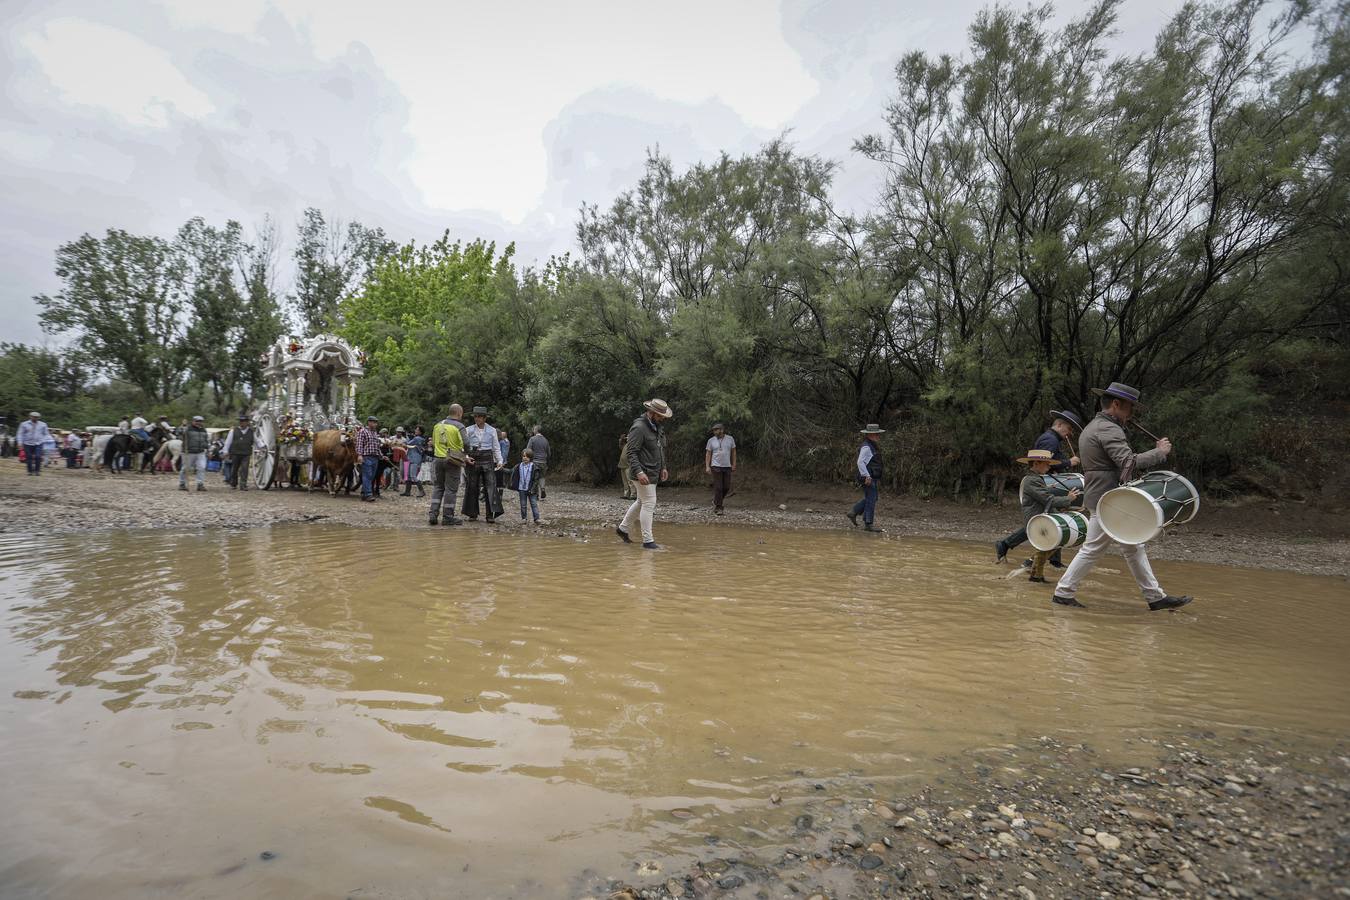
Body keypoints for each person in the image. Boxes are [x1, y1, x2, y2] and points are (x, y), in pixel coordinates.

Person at [1051, 382, 1192, 611]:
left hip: (1103, 495)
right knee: (1098, 548)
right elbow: (1128, 461)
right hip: (1108, 497)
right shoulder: (1108, 429)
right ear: (1116, 404)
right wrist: (1160, 452)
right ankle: (1063, 593)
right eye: (1130, 408)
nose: (1132, 414)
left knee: (1132, 546)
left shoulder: (1094, 426)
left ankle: (1154, 597)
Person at [996, 409, 1083, 563]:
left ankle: (1049, 561)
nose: (1070, 433)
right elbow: (1046, 462)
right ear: (1059, 424)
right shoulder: (1050, 440)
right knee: (1047, 523)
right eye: (1069, 429)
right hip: (1043, 485)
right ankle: (1028, 558)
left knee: (1050, 521)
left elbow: (1046, 463)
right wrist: (1069, 462)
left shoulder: (1051, 439)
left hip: (1046, 484)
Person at [1016, 448, 1082, 583]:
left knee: (1052, 543)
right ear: (1036, 464)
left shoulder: (1036, 478)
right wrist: (1068, 499)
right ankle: (1034, 573)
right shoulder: (1031, 480)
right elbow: (1047, 499)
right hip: (1037, 518)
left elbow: (1048, 500)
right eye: (1046, 464)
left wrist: (1067, 503)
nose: (1048, 467)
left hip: (1043, 516)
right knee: (1051, 543)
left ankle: (1035, 573)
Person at [617, 399, 671, 550]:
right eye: (660, 416)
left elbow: (659, 449)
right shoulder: (639, 427)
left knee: (641, 502)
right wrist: (639, 471)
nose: (663, 418)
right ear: (652, 413)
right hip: (642, 472)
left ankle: (622, 529)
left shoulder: (657, 427)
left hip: (653, 471)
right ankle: (648, 541)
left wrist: (664, 467)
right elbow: (631, 452)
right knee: (649, 503)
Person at [462, 407, 504, 522]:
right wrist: (466, 457)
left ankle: (490, 515)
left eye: (479, 416)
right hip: (473, 458)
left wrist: (499, 461)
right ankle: (472, 514)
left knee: (490, 486)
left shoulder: (492, 430)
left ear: (485, 418)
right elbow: (463, 447)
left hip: (487, 458)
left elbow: (496, 447)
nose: (477, 418)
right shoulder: (468, 430)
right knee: (472, 486)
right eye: (475, 416)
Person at [428, 405, 467, 525]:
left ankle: (433, 514)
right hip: (452, 460)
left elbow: (434, 443)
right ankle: (448, 517)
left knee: (438, 487)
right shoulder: (459, 426)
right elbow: (466, 443)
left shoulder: (437, 425)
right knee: (451, 489)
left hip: (438, 459)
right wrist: (465, 456)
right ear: (459, 413)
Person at [846, 424, 886, 532]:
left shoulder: (871, 445)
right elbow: (860, 462)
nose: (878, 436)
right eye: (877, 434)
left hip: (870, 476)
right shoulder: (867, 446)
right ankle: (868, 524)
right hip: (868, 477)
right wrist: (867, 476)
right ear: (871, 434)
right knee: (872, 498)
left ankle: (853, 512)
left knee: (873, 497)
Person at [222, 414, 265, 490]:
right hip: (235, 453)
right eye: (241, 421)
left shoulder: (251, 432)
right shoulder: (233, 431)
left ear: (247, 422)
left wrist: (262, 446)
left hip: (246, 454)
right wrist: (225, 451)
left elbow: (257, 441)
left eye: (243, 421)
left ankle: (243, 484)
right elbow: (228, 442)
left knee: (244, 469)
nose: (242, 422)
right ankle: (233, 483)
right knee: (234, 469)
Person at [704, 423, 737, 515]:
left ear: (722, 430)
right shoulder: (711, 441)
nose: (714, 432)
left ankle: (715, 501)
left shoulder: (730, 439)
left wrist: (734, 464)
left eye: (716, 430)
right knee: (718, 487)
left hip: (727, 466)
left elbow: (733, 452)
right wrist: (707, 466)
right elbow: (708, 454)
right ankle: (719, 508)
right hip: (715, 466)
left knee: (726, 487)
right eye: (714, 430)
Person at [511, 448, 542, 524]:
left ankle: (536, 518)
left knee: (534, 504)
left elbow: (536, 480)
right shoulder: (519, 466)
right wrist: (501, 469)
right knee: (523, 504)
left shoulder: (534, 467)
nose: (525, 458)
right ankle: (524, 518)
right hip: (522, 488)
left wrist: (533, 489)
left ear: (530, 458)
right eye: (523, 456)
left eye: (527, 457)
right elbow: (510, 471)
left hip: (531, 489)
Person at [179, 415, 210, 492]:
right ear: (193, 421)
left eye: (200, 421)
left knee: (202, 467)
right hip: (189, 452)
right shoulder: (187, 428)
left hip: (201, 452)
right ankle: (182, 483)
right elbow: (178, 433)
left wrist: (208, 449)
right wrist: (182, 427)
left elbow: (205, 441)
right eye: (196, 421)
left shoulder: (204, 430)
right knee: (186, 468)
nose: (198, 423)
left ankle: (200, 484)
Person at [356, 416, 383, 502]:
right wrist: (359, 455)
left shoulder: (375, 433)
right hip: (366, 456)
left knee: (371, 476)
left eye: (376, 422)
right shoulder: (362, 431)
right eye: (374, 422)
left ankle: (364, 493)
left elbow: (377, 446)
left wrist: (381, 455)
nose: (375, 424)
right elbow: (359, 444)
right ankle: (368, 494)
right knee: (367, 475)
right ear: (369, 422)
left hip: (375, 457)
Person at [402, 425, 428, 498]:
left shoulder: (417, 438)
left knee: (413, 476)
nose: (415, 431)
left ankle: (421, 491)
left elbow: (408, 444)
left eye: (417, 430)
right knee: (409, 476)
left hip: (414, 458)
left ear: (420, 431)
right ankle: (407, 492)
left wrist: (406, 437)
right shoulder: (419, 438)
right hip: (412, 457)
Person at [525, 425, 550, 499]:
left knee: (534, 478)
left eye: (534, 429)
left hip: (535, 461)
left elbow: (528, 450)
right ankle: (542, 488)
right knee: (542, 477)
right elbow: (549, 452)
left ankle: (536, 495)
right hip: (543, 461)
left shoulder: (532, 439)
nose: (533, 430)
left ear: (536, 430)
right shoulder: (546, 440)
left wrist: (527, 459)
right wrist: (546, 459)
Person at [618, 433, 635, 499]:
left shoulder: (632, 444)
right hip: (622, 465)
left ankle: (633, 494)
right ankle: (626, 494)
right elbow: (620, 447)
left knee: (630, 480)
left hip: (628, 465)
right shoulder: (625, 445)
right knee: (625, 481)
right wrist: (621, 439)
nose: (627, 438)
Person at [495, 428, 511, 495]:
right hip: (502, 460)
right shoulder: (506, 441)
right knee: (501, 477)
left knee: (499, 477)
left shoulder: (502, 442)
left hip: (500, 461)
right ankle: (499, 492)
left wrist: (502, 462)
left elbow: (504, 452)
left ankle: (499, 493)